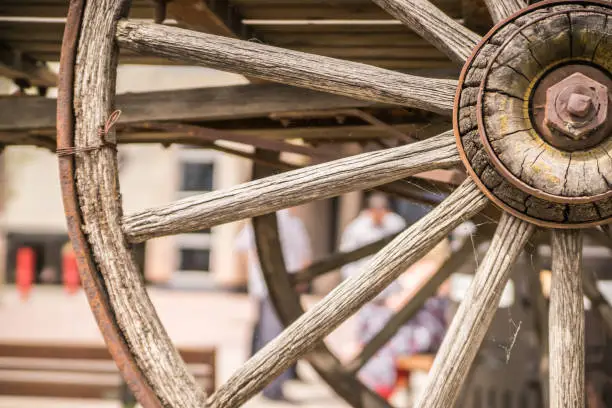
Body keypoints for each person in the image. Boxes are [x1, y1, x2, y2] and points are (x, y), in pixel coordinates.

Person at [235, 207, 312, 402]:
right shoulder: (287, 221)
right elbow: (304, 257)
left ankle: (271, 383)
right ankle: (271, 386)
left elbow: (243, 247)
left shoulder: (288, 222)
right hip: (276, 286)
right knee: (274, 336)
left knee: (272, 334)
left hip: (270, 285)